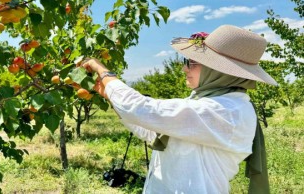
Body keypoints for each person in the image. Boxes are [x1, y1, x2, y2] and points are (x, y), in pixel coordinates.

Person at [81, 25, 275, 194]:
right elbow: (151, 131)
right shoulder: (207, 104)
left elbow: (142, 109)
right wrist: (107, 93)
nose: (185, 69)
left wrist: (104, 72)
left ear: (218, 70)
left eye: (191, 63)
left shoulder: (228, 111)